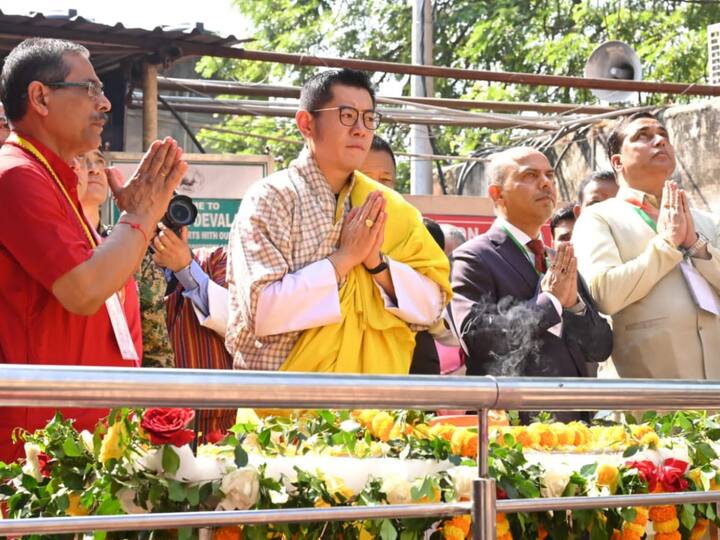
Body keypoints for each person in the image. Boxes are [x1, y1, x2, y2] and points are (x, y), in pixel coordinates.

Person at [0, 38, 186, 462]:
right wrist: (138, 217)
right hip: (39, 447)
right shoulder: (15, 175)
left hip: (87, 435)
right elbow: (84, 291)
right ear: (40, 97)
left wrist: (137, 219)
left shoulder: (53, 179)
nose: (105, 104)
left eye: (104, 92)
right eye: (90, 89)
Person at [226, 68, 451, 374]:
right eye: (347, 116)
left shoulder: (387, 206)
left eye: (369, 118)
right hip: (283, 407)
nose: (361, 129)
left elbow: (432, 308)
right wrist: (344, 259)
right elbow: (264, 312)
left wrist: (376, 264)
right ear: (306, 123)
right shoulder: (271, 198)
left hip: (374, 408)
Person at [450, 147, 612, 388]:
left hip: (573, 413)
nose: (546, 184)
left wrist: (575, 307)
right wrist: (550, 303)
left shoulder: (559, 260)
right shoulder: (473, 257)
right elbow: (477, 339)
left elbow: (600, 348)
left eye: (550, 175)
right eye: (530, 176)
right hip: (511, 416)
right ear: (497, 194)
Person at [573, 112, 720, 379]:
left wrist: (696, 246)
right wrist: (666, 244)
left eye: (664, 135)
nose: (660, 141)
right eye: (643, 136)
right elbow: (604, 295)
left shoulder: (706, 221)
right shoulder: (599, 218)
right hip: (647, 400)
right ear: (618, 162)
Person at [151, 225, 235, 439]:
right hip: (142, 428)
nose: (163, 232)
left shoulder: (215, 259)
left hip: (217, 432)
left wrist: (185, 269)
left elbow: (237, 324)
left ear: (184, 228)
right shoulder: (120, 266)